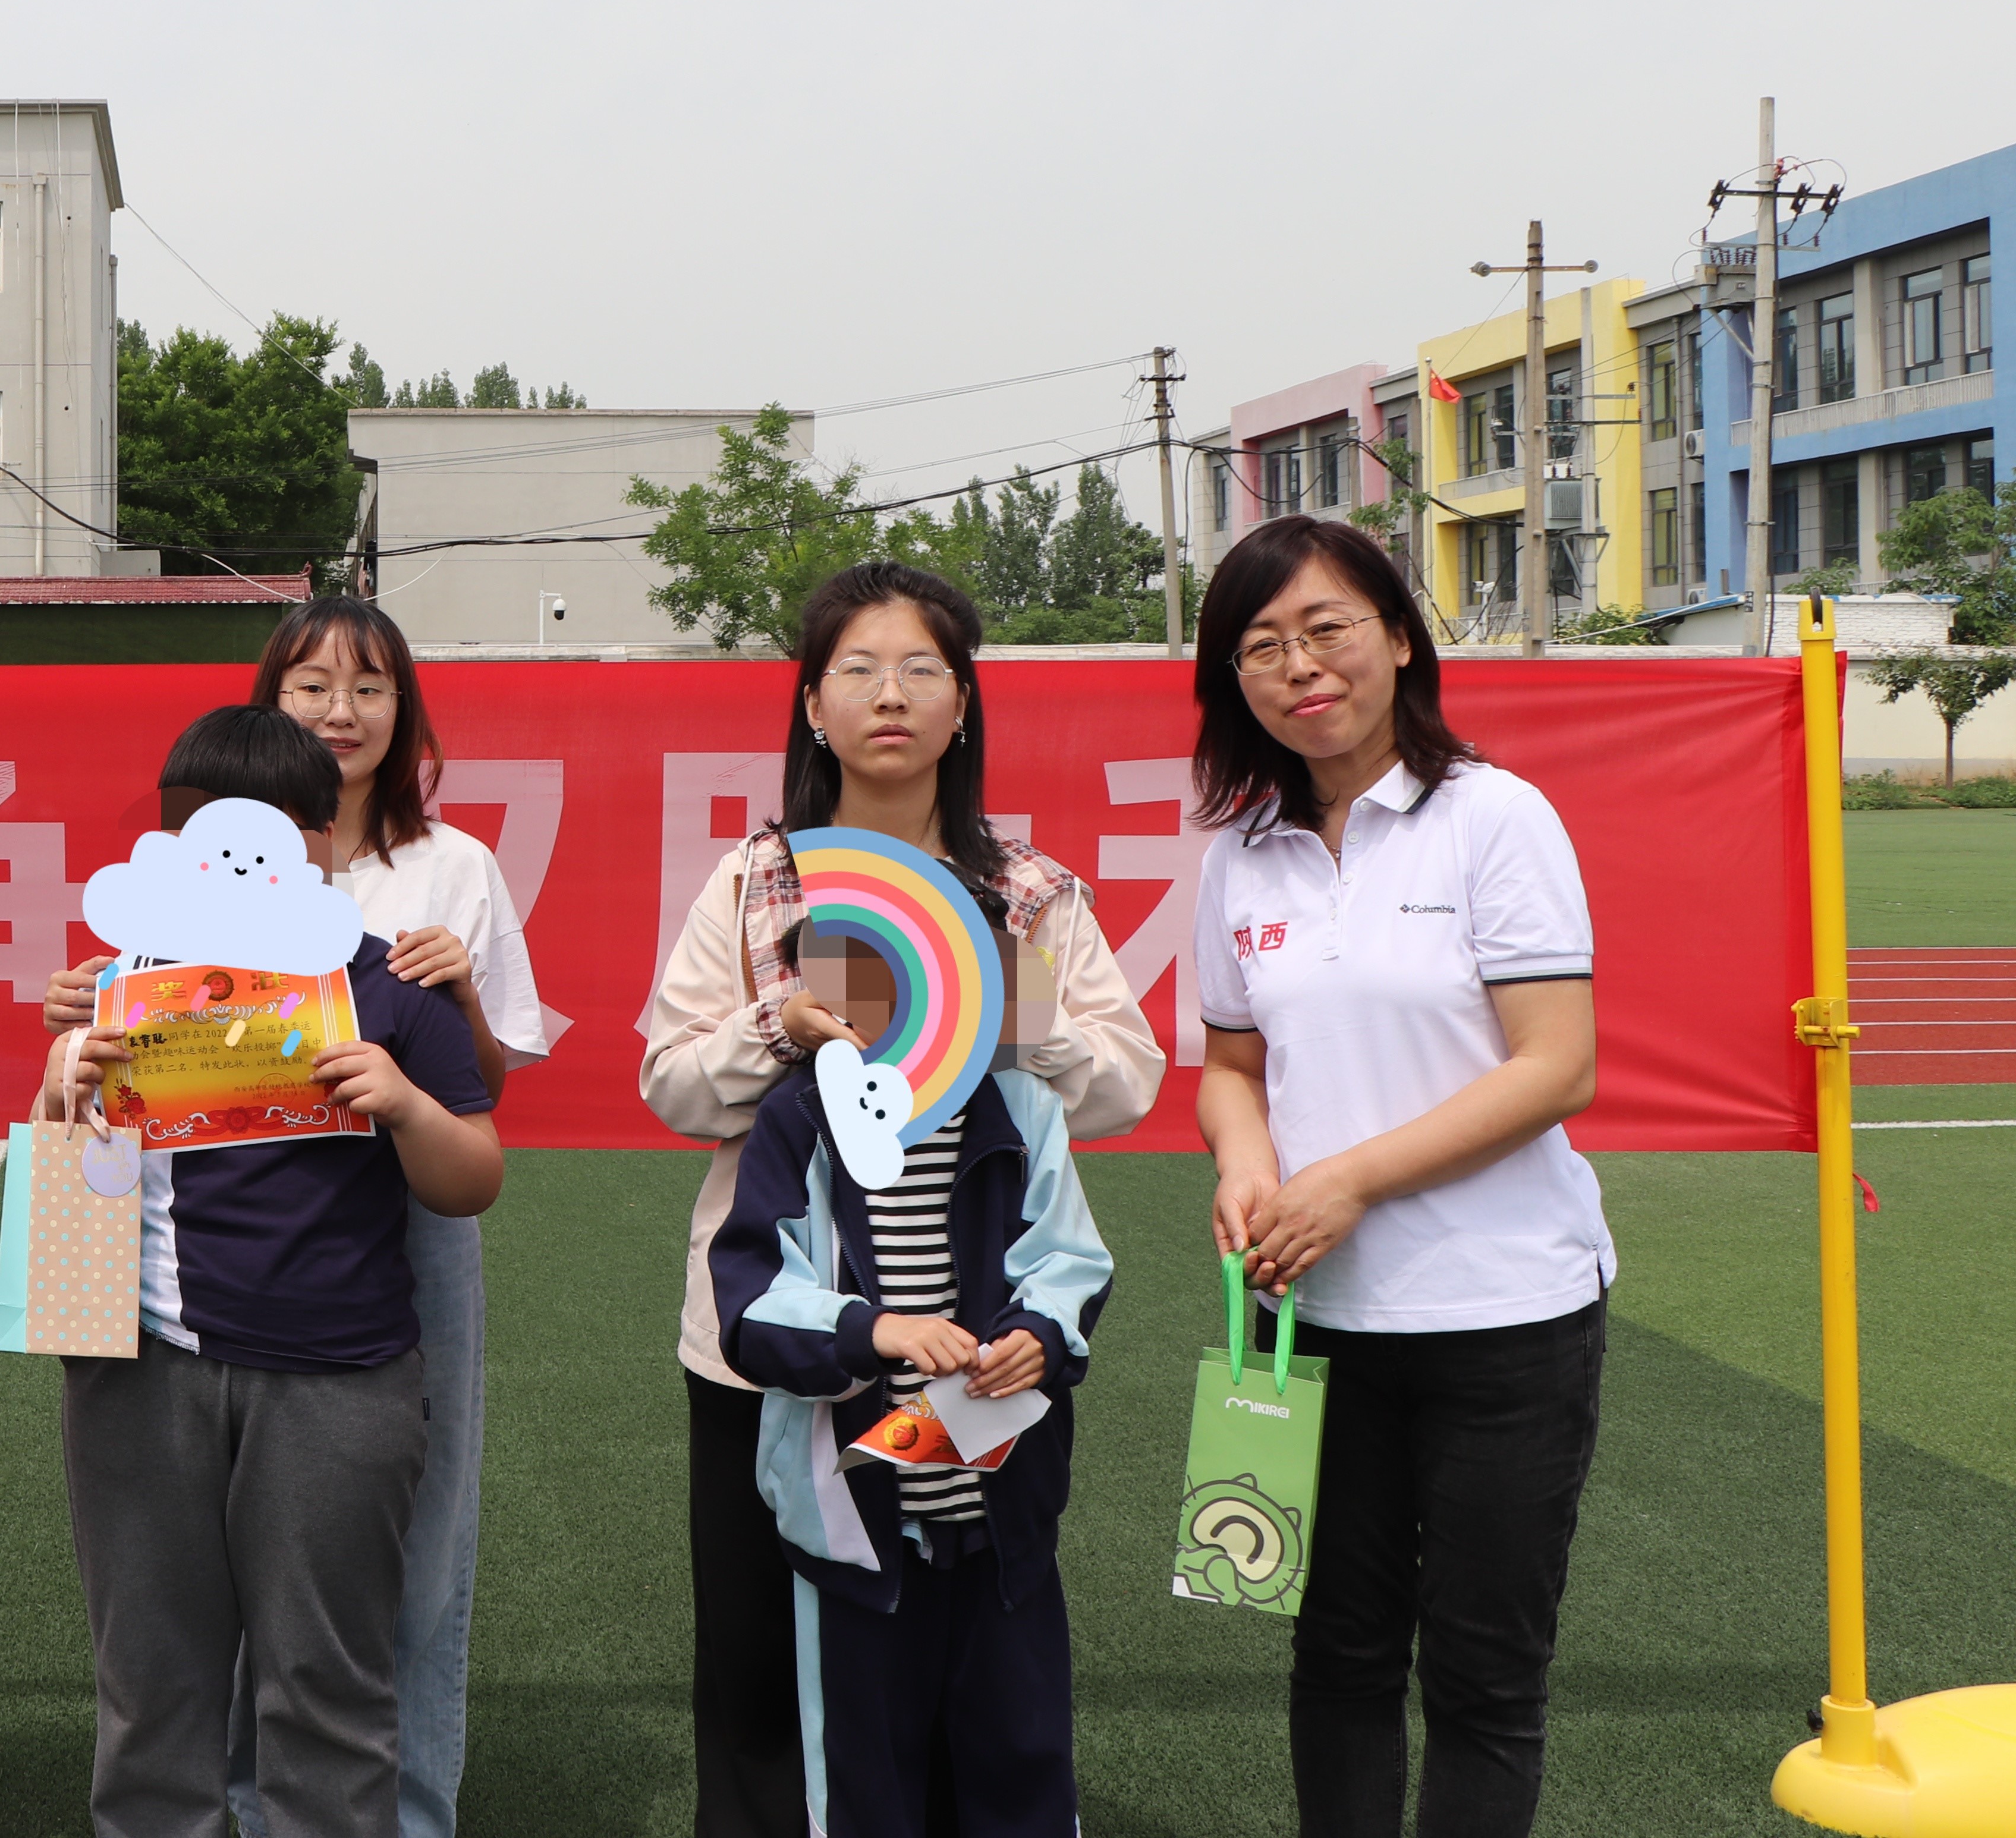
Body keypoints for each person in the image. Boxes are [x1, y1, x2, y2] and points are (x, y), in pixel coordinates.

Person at [638, 560, 1163, 1837]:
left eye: (923, 668)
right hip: (776, 1343)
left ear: (963, 705)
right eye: (859, 670)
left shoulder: (1031, 894)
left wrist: (1011, 1012)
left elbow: (1126, 1085)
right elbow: (672, 1085)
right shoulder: (752, 884)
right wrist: (780, 1027)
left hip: (978, 1343)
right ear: (813, 706)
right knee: (770, 1663)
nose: (891, 694)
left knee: (970, 1636)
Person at [41, 595, 543, 1838]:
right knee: (151, 1680)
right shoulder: (123, 987)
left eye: (273, 836)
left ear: (324, 845)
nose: (241, 864)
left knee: (328, 1678)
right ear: (167, 849)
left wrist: (405, 1100)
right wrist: (66, 1084)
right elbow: (66, 1178)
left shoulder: (392, 979)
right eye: (208, 837)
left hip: (339, 1370)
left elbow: (474, 1167)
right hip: (143, 1364)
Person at [1188, 515, 1611, 1838]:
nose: (1300, 666)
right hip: (1314, 1321)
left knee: (1484, 1675)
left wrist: (1352, 1180)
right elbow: (1230, 1065)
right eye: (1263, 646)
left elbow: (1557, 1065)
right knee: (1339, 1653)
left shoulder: (1494, 816)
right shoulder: (1239, 851)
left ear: (1401, 641)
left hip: (1505, 1316)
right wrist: (1248, 1160)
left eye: (1328, 629)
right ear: (1234, 680)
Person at [703, 893, 1114, 1838]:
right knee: (863, 1789)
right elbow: (751, 1305)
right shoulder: (801, 1119)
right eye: (865, 985)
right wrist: (873, 1330)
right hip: (856, 1534)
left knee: (1024, 1769)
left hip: (1003, 1523)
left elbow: (1073, 1261)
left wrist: (1040, 1334)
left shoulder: (1022, 1105)